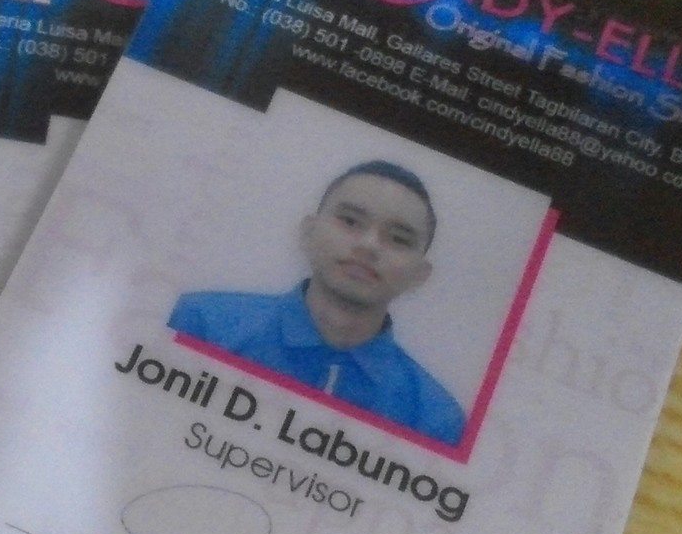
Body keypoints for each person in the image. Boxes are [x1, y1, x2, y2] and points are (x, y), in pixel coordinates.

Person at [170, 161, 467, 446]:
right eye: (350, 221)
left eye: (398, 239)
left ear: (419, 275)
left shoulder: (435, 419)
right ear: (308, 233)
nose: (369, 245)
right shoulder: (202, 324)